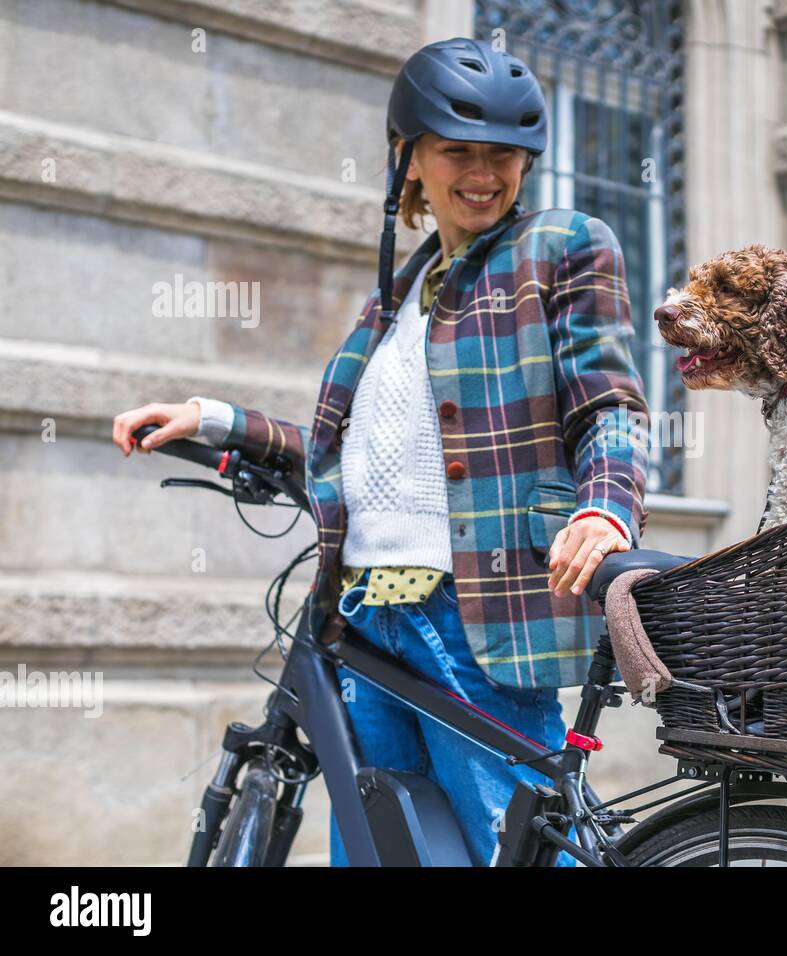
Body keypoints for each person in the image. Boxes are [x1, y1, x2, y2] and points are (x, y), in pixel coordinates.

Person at [111, 37, 650, 866]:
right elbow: (348, 456)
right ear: (409, 161)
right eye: (457, 151)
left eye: (503, 154)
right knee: (384, 852)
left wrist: (607, 505)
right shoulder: (399, 294)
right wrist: (212, 418)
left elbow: (609, 403)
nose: (483, 173)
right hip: (365, 615)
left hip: (473, 614)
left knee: (523, 848)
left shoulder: (561, 246)